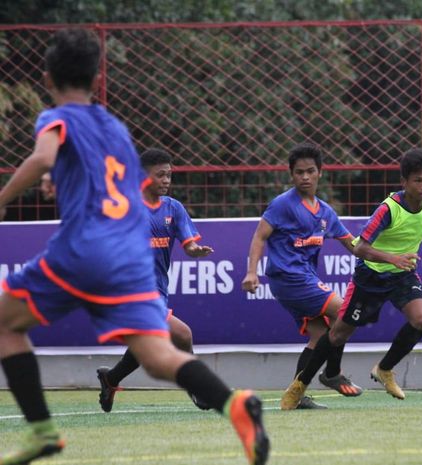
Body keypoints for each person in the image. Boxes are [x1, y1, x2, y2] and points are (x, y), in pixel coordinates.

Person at [0, 29, 268, 465]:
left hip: (85, 247)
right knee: (160, 355)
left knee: (6, 324)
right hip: (127, 257)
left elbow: (44, 156)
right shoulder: (115, 128)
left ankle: (43, 431)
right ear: (97, 76)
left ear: (47, 80)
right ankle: (234, 404)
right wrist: (59, 177)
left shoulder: (55, 117)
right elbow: (104, 178)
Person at [280, 148, 422, 410]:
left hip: (402, 275)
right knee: (338, 335)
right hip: (370, 276)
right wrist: (392, 258)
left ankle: (385, 369)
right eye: (418, 181)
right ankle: (299, 386)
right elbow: (359, 248)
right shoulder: (388, 209)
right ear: (404, 182)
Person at [242, 142, 362, 409]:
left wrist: (384, 257)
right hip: (288, 278)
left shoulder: (325, 212)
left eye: (310, 171)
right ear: (291, 175)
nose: (305, 177)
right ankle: (332, 373)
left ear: (320, 173)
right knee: (345, 313)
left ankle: (297, 394)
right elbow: (260, 235)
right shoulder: (283, 204)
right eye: (299, 172)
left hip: (303, 279)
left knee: (321, 335)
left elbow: (352, 243)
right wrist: (251, 272)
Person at [96, 148, 214, 411]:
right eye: (160, 175)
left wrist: (197, 251)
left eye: (169, 175)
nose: (166, 181)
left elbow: (190, 244)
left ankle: (110, 378)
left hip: (157, 291)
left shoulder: (174, 209)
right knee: (182, 334)